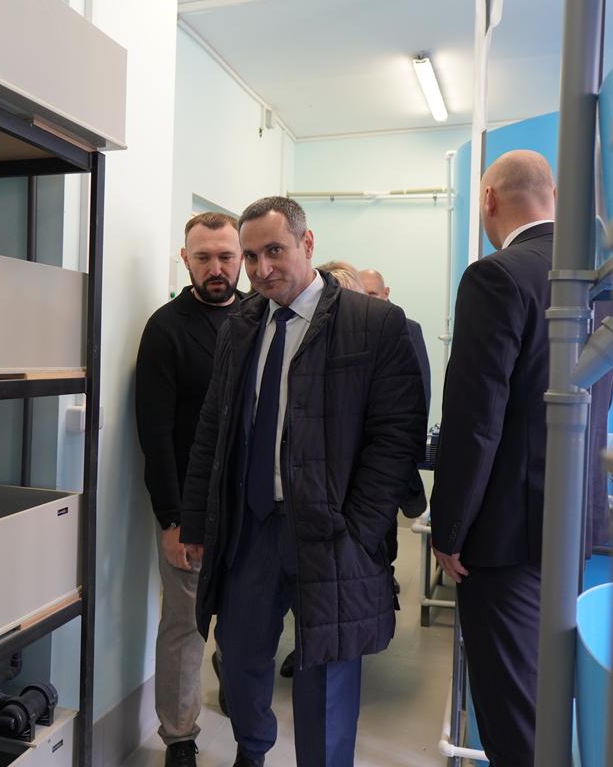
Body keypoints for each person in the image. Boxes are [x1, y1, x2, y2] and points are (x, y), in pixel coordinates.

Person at [181, 197, 427, 767]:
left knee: (326, 669)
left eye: (274, 251)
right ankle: (252, 751)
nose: (261, 268)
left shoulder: (373, 324)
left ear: (307, 243)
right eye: (250, 257)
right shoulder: (241, 326)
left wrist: (361, 527)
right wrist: (196, 519)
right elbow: (214, 429)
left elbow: (397, 436)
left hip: (332, 530)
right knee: (240, 654)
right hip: (252, 526)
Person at [429, 149, 557, 767]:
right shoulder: (599, 278)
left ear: (489, 200)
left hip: (503, 535)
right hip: (570, 526)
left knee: (511, 712)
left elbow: (475, 419)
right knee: (554, 694)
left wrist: (449, 528)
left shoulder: (497, 276)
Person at [135, 212, 243, 767]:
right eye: (203, 257)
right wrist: (172, 519)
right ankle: (179, 735)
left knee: (246, 614)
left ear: (242, 257)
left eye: (226, 256)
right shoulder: (166, 329)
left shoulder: (262, 317)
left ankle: (234, 675)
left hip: (252, 503)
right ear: (185, 260)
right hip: (191, 507)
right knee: (185, 624)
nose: (216, 268)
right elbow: (154, 432)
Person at [358, 268, 432, 596]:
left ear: (386, 292)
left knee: (385, 522)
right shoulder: (348, 328)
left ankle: (385, 575)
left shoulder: (407, 329)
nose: (366, 300)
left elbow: (421, 391)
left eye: (372, 294)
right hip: (355, 453)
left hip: (387, 450)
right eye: (361, 294)